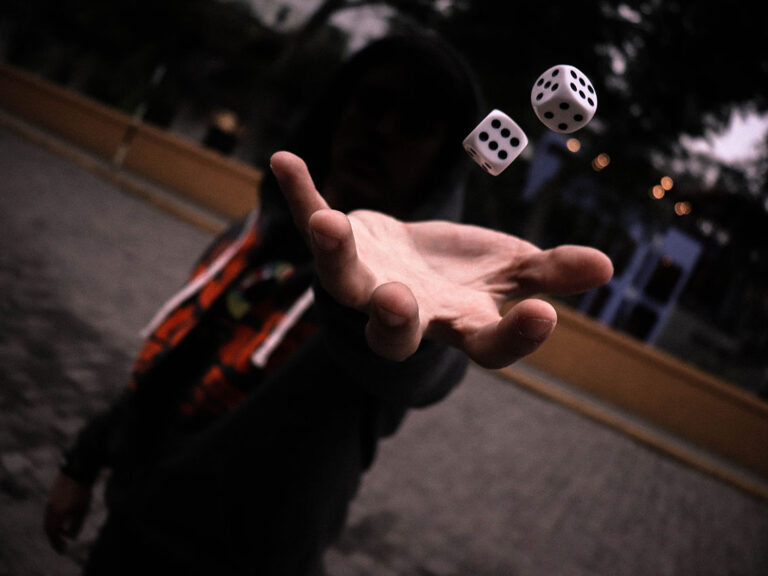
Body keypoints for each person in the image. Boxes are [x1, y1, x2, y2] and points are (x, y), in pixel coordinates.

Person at [44, 33, 613, 575]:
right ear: (338, 109)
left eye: (416, 122)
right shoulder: (254, 231)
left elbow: (414, 366)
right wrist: (85, 459)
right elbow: (174, 361)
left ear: (443, 154)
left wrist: (386, 313)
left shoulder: (431, 289)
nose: (384, 130)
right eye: (372, 103)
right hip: (125, 529)